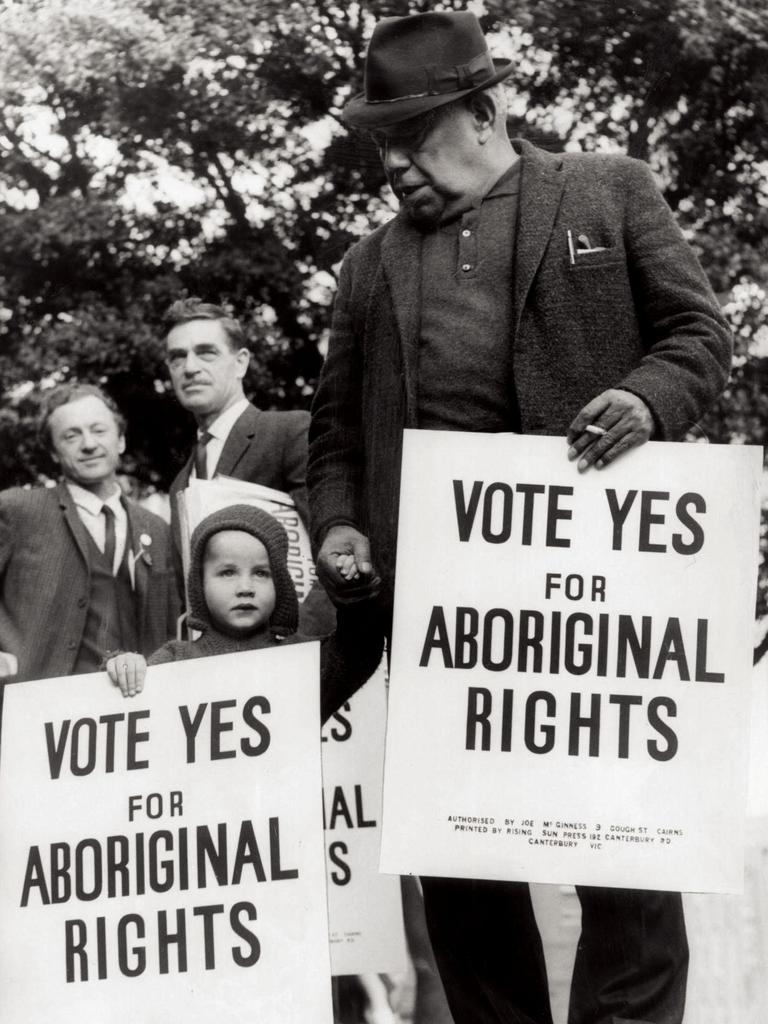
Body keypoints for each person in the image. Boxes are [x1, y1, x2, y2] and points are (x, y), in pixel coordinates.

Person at [307, 11, 733, 1024]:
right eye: (382, 144)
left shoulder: (608, 188)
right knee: (466, 893)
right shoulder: (370, 265)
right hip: (442, 626)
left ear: (489, 110)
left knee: (629, 888)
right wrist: (337, 529)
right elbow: (333, 438)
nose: (397, 162)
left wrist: (646, 398)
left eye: (416, 134)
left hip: (598, 618)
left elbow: (698, 335)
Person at [106, 504, 382, 727]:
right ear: (199, 584)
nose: (245, 588)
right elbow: (121, 713)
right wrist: (124, 667)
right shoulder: (174, 659)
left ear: (281, 585)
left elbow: (358, 652)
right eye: (227, 572)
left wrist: (354, 587)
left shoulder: (302, 660)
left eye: (261, 573)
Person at [165, 297, 334, 635]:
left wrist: (298, 642)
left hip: (292, 654)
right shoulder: (180, 483)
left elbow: (335, 553)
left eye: (206, 352)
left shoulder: (288, 432)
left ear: (240, 363)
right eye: (177, 357)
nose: (190, 367)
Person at [0, 383, 178, 684]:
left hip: (134, 709)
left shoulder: (157, 529)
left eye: (99, 430)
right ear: (54, 452)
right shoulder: (17, 510)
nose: (88, 444)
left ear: (120, 440)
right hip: (39, 706)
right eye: (71, 435)